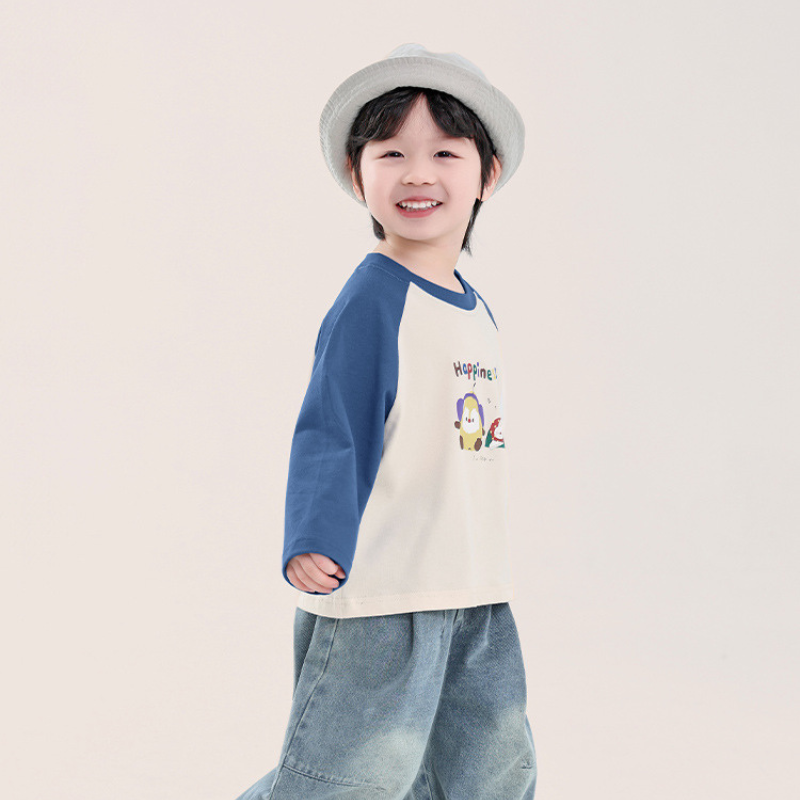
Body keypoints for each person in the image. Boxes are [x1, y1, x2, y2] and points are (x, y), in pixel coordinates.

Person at [234, 43, 536, 799]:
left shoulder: (477, 310)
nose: (418, 173)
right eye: (391, 152)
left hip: (473, 589)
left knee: (490, 770)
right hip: (384, 597)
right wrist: (315, 534)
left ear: (487, 175)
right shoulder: (374, 302)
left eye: (446, 152)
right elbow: (334, 426)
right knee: (348, 774)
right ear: (355, 173)